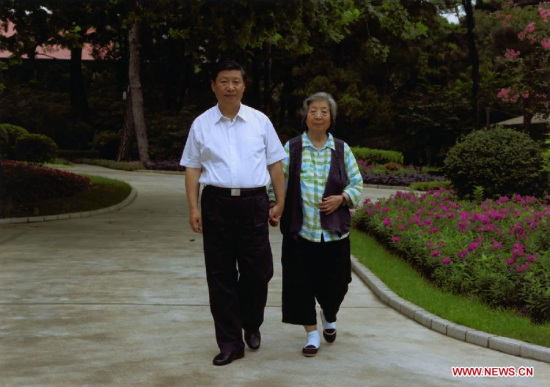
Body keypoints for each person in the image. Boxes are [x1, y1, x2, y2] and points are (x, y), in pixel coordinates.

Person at [180, 60, 286, 366]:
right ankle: (230, 343)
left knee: (259, 271)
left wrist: (279, 202)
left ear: (244, 85)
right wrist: (193, 206)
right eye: (224, 81)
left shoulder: (260, 121)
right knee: (220, 275)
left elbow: (275, 165)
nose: (230, 87)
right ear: (213, 85)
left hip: (254, 203)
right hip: (216, 204)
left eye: (236, 81)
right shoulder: (201, 124)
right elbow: (192, 167)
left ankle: (250, 322)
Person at [269, 92, 363, 357]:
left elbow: (357, 183)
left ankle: (329, 314)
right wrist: (274, 204)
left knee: (338, 284)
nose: (318, 115)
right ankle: (311, 334)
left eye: (324, 111)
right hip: (300, 231)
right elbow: (277, 180)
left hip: (334, 235)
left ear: (331, 117)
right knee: (300, 285)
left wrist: (342, 198)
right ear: (306, 116)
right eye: (313, 111)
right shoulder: (292, 147)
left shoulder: (342, 149)